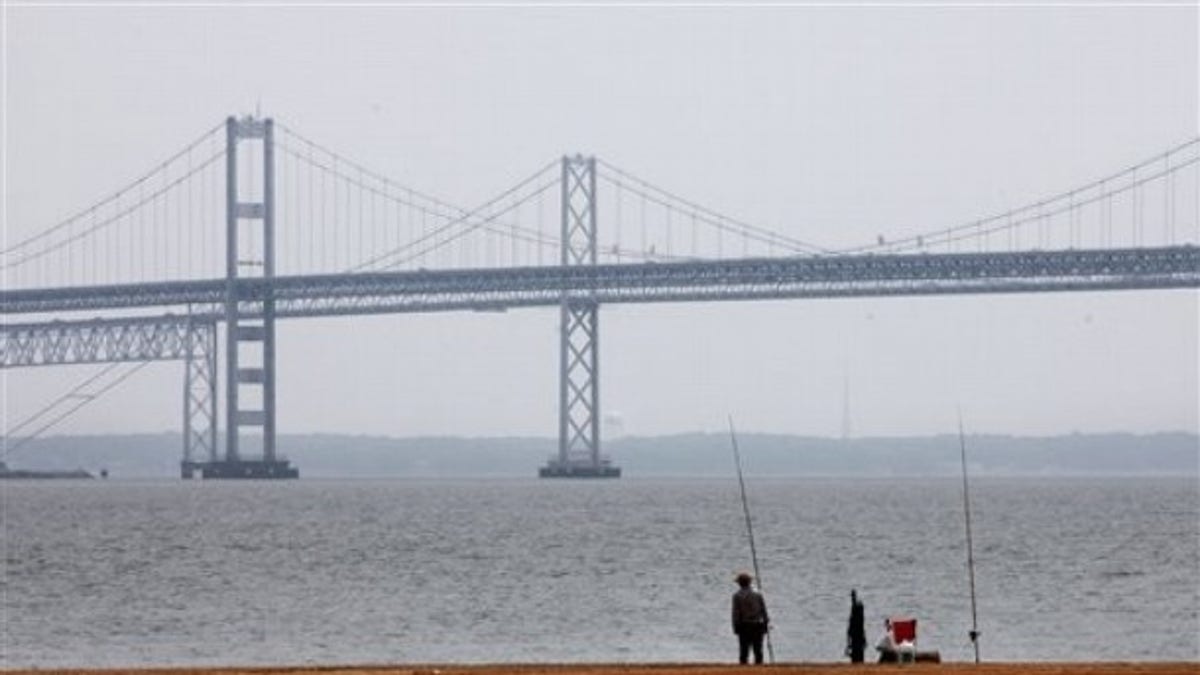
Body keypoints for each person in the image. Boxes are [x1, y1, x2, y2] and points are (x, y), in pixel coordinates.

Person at [731, 571, 770, 665]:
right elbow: (763, 610)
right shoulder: (758, 593)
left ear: (740, 583)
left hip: (744, 625)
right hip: (757, 624)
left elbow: (736, 613)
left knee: (744, 651)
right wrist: (766, 623)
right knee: (758, 650)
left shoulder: (737, 596)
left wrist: (735, 626)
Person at [845, 589, 866, 663]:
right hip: (857, 636)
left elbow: (851, 627)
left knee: (857, 656)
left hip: (856, 636)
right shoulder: (858, 612)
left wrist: (848, 641)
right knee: (858, 656)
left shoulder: (855, 610)